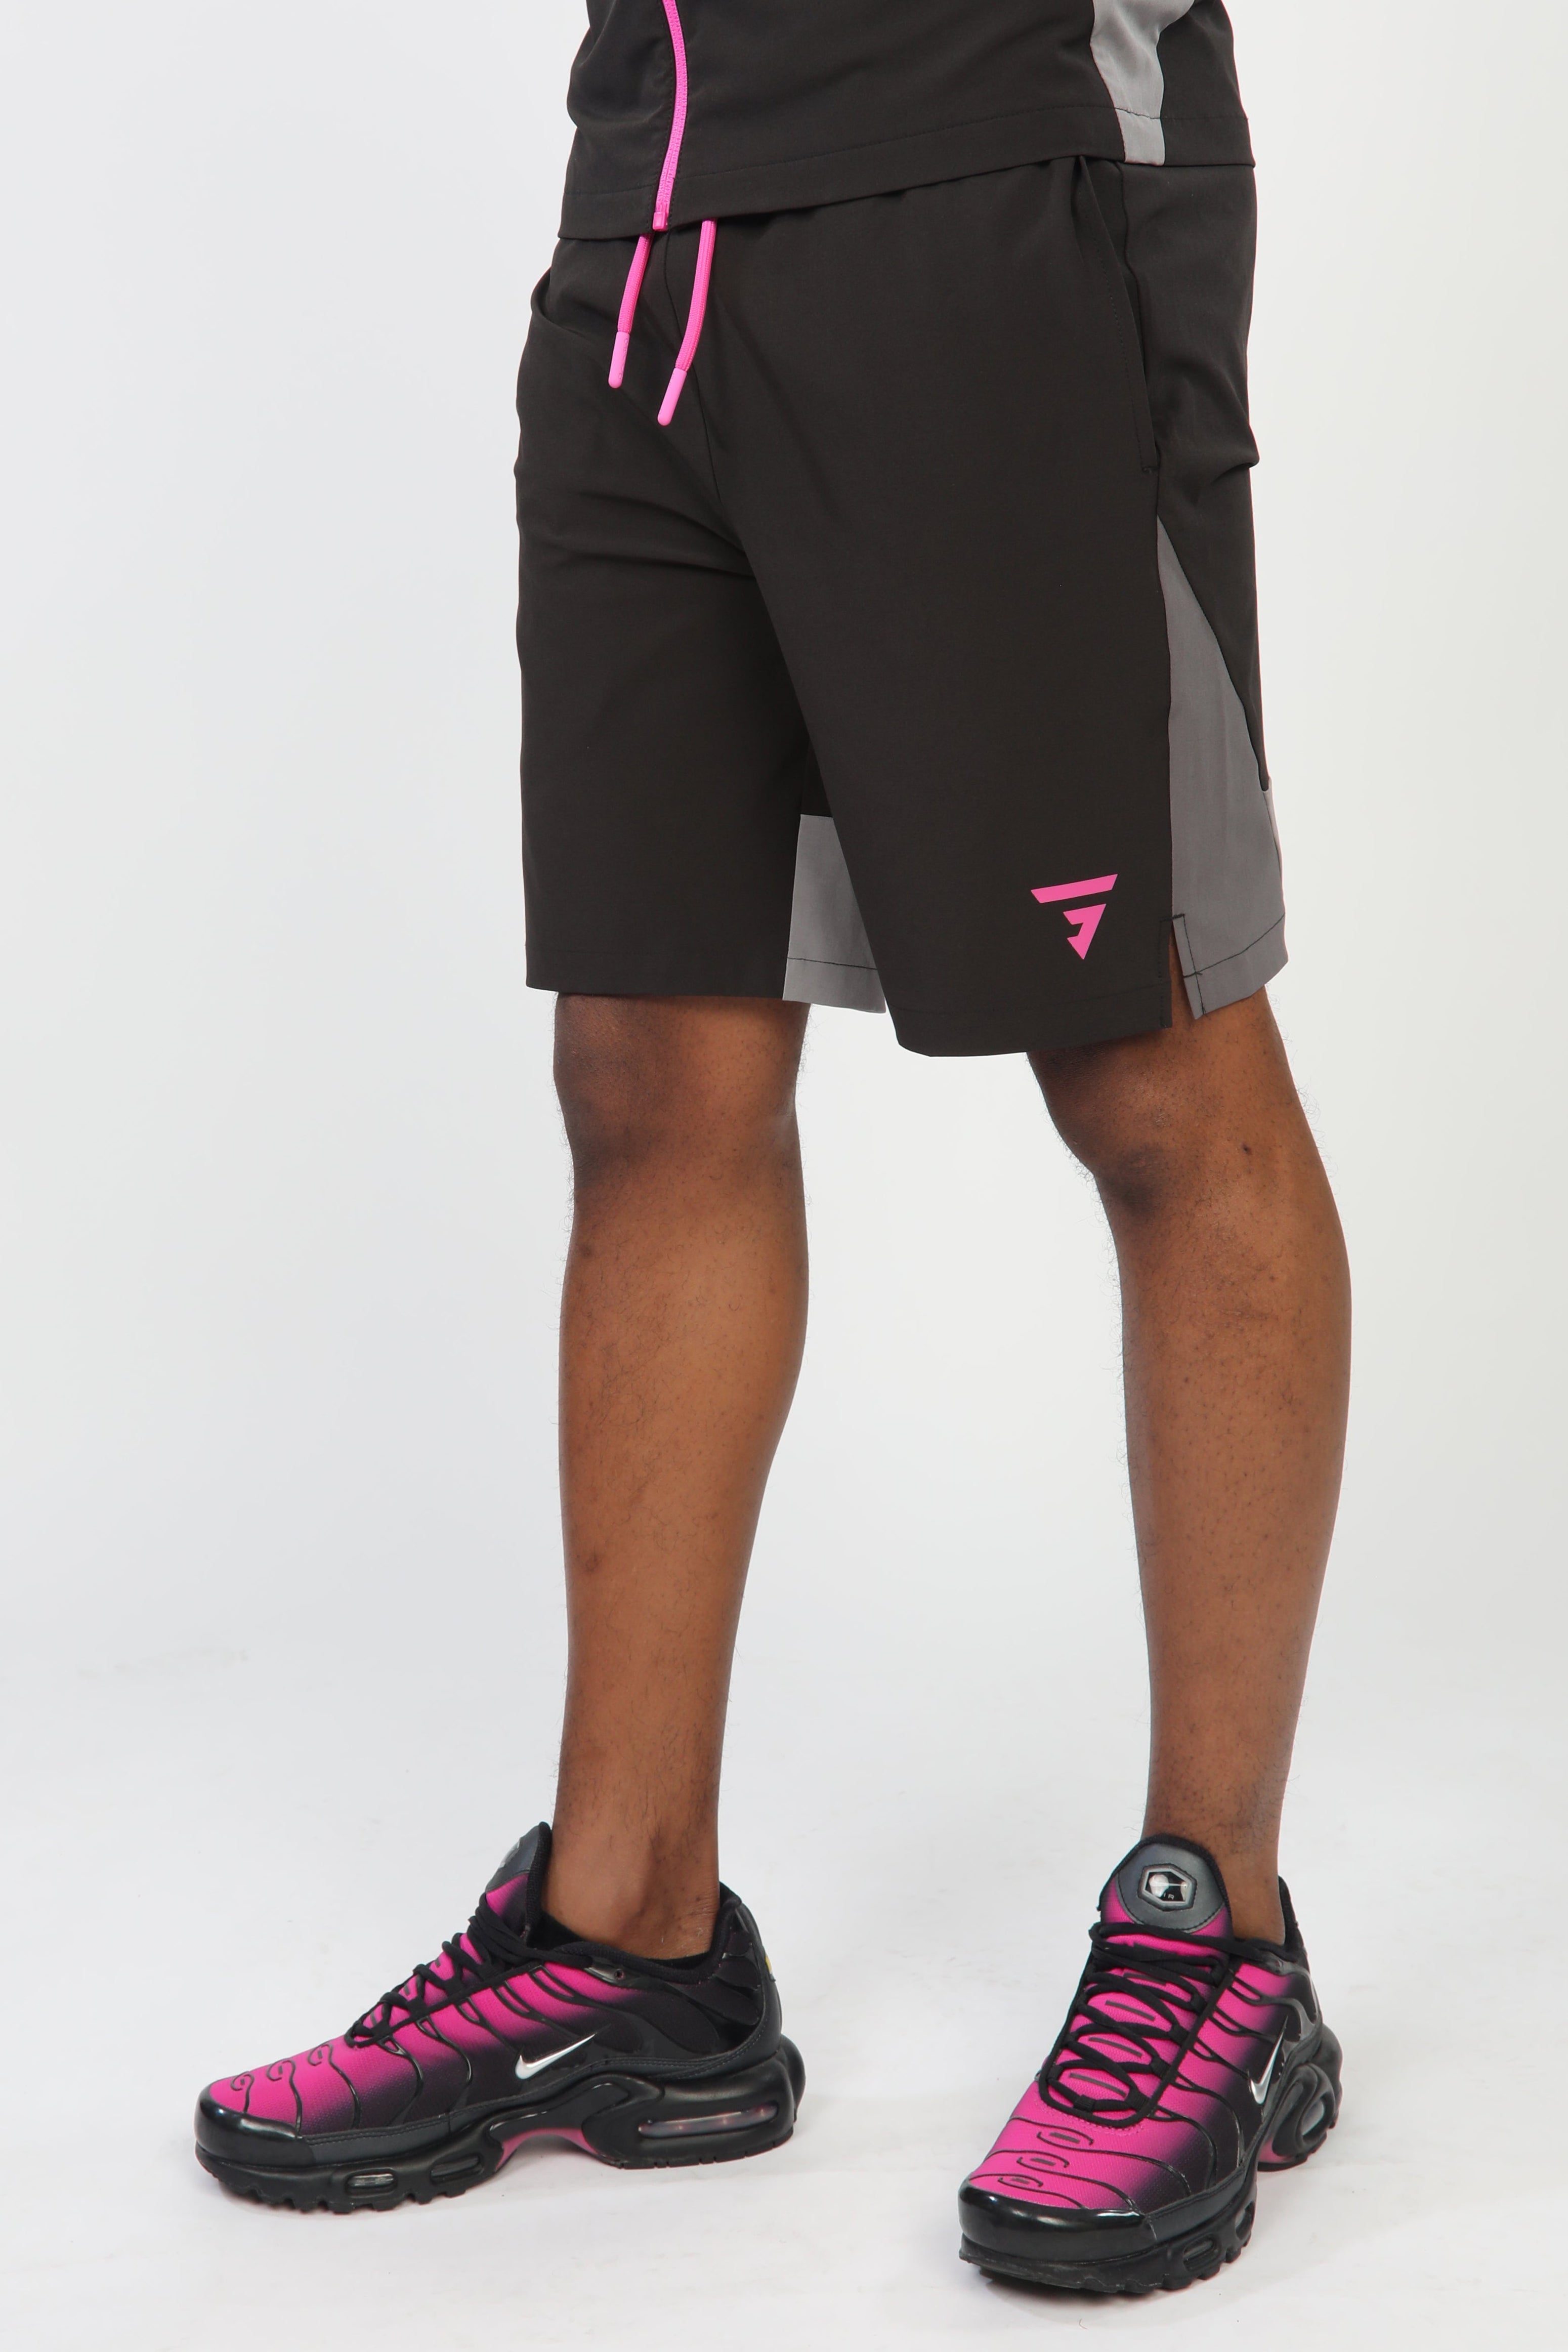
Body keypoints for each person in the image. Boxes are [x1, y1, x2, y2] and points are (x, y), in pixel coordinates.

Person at [194, 1, 1350, 2296]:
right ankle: (626, 1934)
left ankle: (1216, 1927)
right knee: (649, 1070)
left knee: (1147, 1060)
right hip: (653, 214)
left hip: (997, 168)